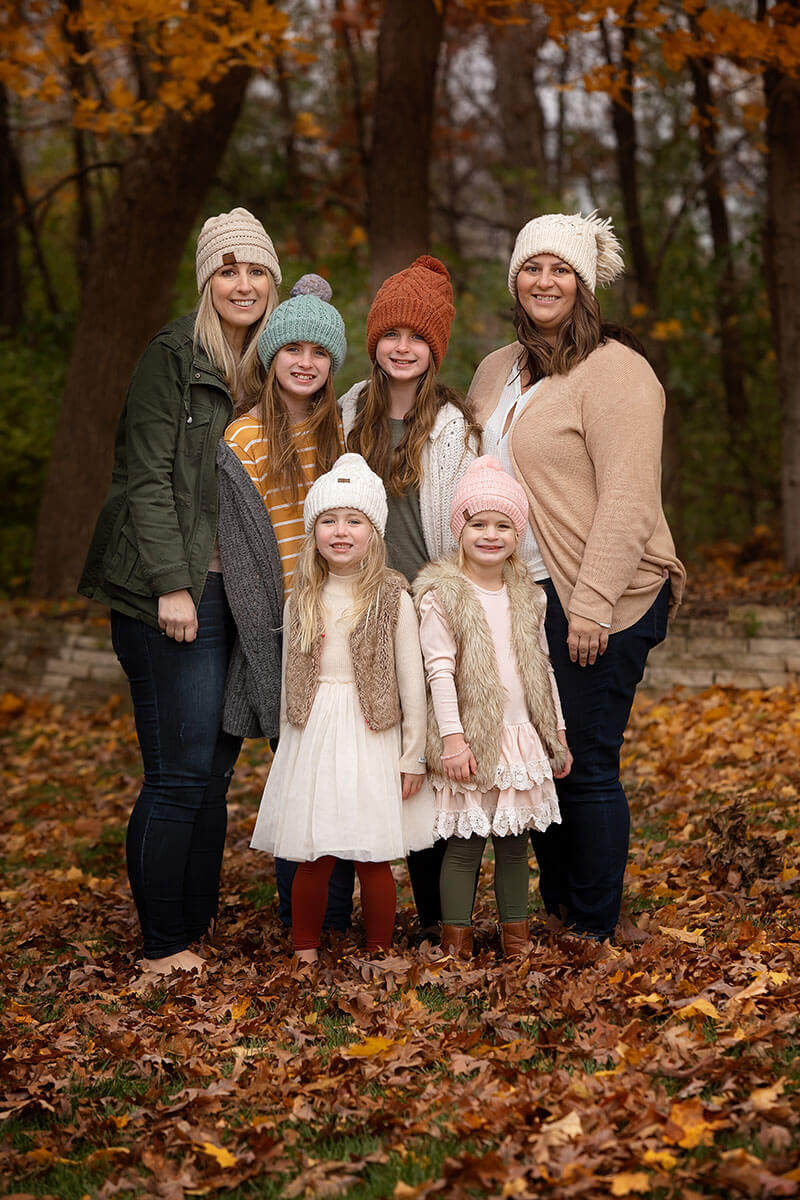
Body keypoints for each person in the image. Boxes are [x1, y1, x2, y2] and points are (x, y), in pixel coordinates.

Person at [468, 210, 686, 943]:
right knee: (544, 765)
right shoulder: (497, 368)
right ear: (515, 279)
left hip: (602, 594)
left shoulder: (617, 372)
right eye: (532, 267)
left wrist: (589, 604)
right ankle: (559, 909)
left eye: (560, 268)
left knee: (585, 760)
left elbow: (629, 497)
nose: (544, 280)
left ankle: (590, 927)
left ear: (585, 283)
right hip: (520, 597)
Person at [78, 208, 281, 973]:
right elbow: (144, 480)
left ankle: (193, 930)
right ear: (207, 280)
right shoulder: (172, 353)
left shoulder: (269, 367)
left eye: (255, 269)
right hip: (170, 595)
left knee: (215, 774)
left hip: (240, 597)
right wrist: (172, 585)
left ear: (272, 281)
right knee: (177, 774)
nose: (242, 283)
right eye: (227, 269)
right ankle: (163, 946)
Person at [340, 255, 480, 943]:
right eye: (391, 334)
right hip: (360, 606)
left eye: (417, 338)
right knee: (368, 752)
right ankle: (356, 909)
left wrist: (447, 605)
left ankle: (437, 917)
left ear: (435, 349)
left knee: (428, 759)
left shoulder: (454, 425)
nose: (402, 347)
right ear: (374, 341)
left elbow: (464, 525)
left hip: (424, 607)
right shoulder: (346, 414)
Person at [249, 453, 430, 962]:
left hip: (372, 733)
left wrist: (412, 754)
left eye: (354, 521)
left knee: (372, 856)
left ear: (373, 531)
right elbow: (290, 680)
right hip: (315, 732)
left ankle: (379, 950)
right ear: (314, 533)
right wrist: (289, 748)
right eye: (328, 521)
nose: (341, 531)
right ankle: (304, 948)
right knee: (315, 852)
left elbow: (412, 682)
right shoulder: (302, 597)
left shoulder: (394, 596)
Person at [221, 284, 355, 932]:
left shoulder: (342, 435)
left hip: (344, 633)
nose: (305, 361)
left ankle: (337, 919)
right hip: (282, 635)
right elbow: (245, 557)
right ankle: (302, 924)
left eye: (319, 352)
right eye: (292, 348)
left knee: (343, 777)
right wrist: (273, 649)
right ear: (272, 355)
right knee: (300, 780)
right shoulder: (243, 437)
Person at [414, 457, 571, 959]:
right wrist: (453, 740)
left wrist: (556, 737)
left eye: (503, 525)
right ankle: (455, 943)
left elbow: (543, 669)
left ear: (517, 534)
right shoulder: (444, 594)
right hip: (471, 738)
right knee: (463, 847)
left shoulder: (529, 596)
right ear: (459, 530)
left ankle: (516, 941)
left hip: (520, 735)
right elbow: (438, 670)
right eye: (478, 524)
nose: (490, 534)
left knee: (514, 845)